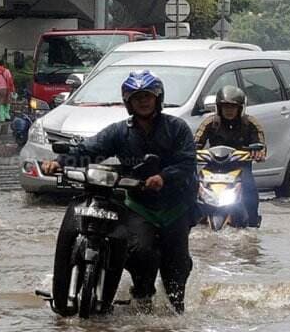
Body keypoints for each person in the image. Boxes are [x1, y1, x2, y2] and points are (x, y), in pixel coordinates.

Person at [41, 70, 198, 314]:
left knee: (175, 267)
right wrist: (60, 162)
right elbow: (90, 149)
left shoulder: (177, 128)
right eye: (137, 98)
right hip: (138, 205)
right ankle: (143, 297)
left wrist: (163, 177)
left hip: (175, 207)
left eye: (148, 96)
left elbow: (188, 163)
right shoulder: (119, 132)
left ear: (158, 98)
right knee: (139, 252)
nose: (143, 101)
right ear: (128, 103)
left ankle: (176, 314)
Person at [194, 85, 266, 227]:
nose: (229, 110)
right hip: (212, 168)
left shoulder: (250, 124)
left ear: (240, 108)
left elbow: (261, 145)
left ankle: (252, 221)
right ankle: (192, 218)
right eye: (225, 106)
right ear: (219, 107)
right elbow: (195, 143)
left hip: (240, 169)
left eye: (232, 107)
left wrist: (258, 153)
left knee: (250, 189)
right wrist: (190, 152)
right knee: (192, 184)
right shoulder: (210, 123)